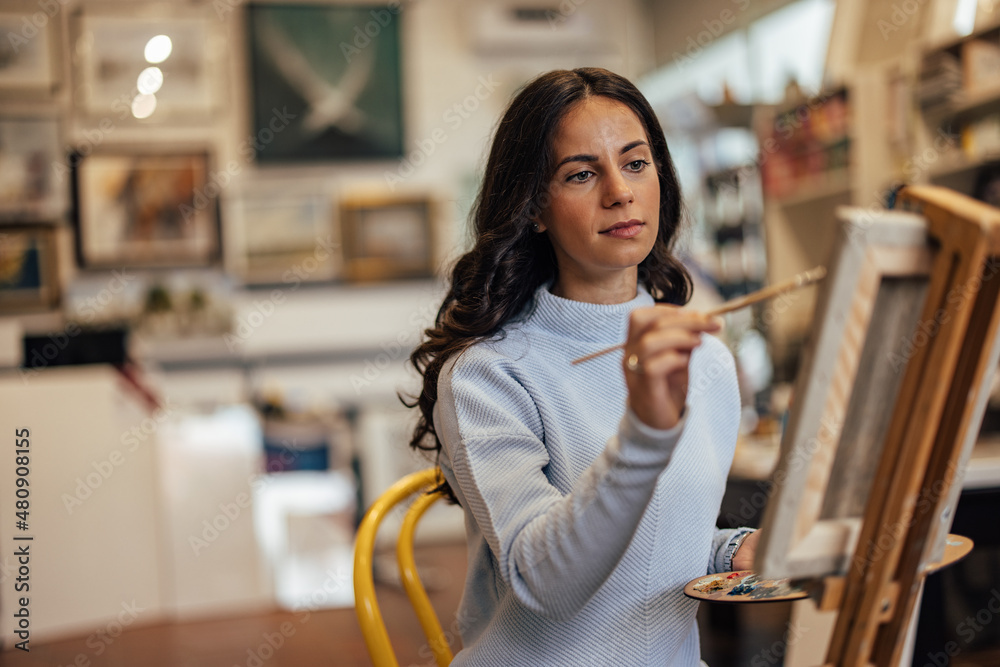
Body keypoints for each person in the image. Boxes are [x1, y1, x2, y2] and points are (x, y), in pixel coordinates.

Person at [406, 67, 758, 666]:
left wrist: (732, 552)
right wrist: (645, 433)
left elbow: (655, 544)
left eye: (636, 163)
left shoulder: (707, 362)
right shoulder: (487, 375)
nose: (619, 191)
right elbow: (549, 585)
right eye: (581, 173)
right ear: (535, 207)